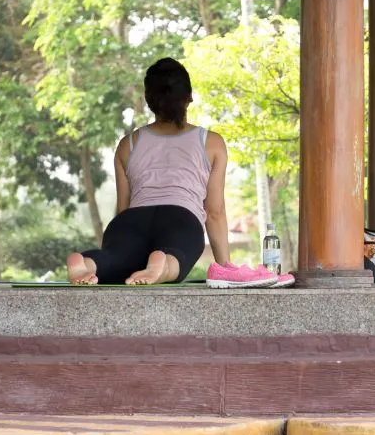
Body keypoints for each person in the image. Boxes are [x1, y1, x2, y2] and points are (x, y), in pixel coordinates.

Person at [66, 58, 281, 287]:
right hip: (181, 218)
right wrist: (224, 266)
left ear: (149, 100)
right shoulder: (211, 143)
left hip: (131, 220)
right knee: (175, 254)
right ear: (189, 97)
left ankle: (89, 263)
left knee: (116, 260)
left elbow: (123, 208)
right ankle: (163, 264)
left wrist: (124, 241)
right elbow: (214, 211)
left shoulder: (128, 144)